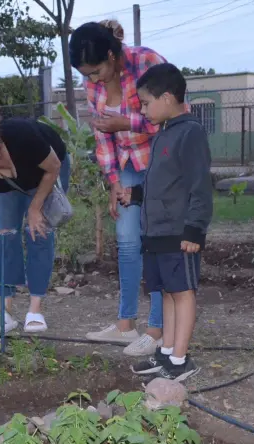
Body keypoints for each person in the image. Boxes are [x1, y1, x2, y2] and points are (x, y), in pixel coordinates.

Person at [69, 20, 168, 356]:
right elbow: (101, 133)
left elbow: (175, 114)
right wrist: (112, 182)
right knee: (127, 242)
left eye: (96, 71)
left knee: (155, 241)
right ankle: (126, 325)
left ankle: (157, 328)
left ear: (112, 55)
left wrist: (125, 122)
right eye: (87, 75)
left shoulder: (148, 63)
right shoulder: (92, 82)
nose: (93, 80)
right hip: (126, 166)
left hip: (158, 162)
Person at [129, 63, 212, 381]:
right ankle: (166, 355)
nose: (144, 110)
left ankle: (181, 360)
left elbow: (199, 184)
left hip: (180, 233)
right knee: (164, 292)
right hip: (156, 233)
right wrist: (136, 194)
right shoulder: (164, 134)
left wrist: (195, 228)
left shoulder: (189, 133)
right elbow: (165, 182)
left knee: (182, 292)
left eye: (146, 103)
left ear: (166, 98)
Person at [0, 108, 71, 334]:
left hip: (45, 171)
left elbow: (53, 167)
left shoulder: (23, 136)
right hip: (5, 187)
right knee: (4, 235)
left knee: (38, 231)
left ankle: (35, 309)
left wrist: (35, 208)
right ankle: (6, 311)